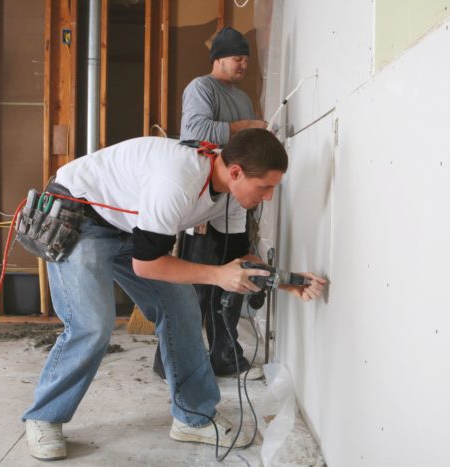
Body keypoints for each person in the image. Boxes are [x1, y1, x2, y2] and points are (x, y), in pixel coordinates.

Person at [22, 129, 327, 460]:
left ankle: (193, 418)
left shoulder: (233, 198)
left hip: (130, 225)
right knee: (92, 325)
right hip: (81, 215)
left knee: (182, 309)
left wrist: (284, 281)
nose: (268, 196)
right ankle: (44, 416)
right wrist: (218, 276)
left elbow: (237, 261)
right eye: (264, 187)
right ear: (236, 172)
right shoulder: (178, 182)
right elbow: (147, 265)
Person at [160, 27, 267, 380]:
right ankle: (172, 361)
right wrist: (245, 126)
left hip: (234, 205)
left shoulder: (242, 98)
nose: (243, 65)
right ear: (218, 57)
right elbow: (194, 132)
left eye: (246, 59)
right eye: (238, 58)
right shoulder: (200, 88)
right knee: (195, 289)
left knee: (233, 279)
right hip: (204, 201)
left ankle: (225, 355)